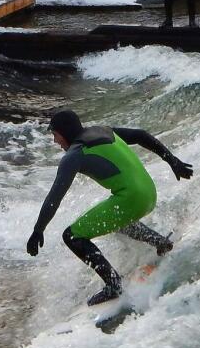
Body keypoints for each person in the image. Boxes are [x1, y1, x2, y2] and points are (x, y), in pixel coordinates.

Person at [26, 109, 188, 306]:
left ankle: (113, 284)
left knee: (72, 236)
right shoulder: (104, 131)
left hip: (132, 199)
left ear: (65, 132)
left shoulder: (74, 155)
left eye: (55, 134)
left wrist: (38, 230)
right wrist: (172, 161)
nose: (55, 141)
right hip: (149, 194)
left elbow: (54, 197)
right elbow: (140, 135)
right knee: (114, 219)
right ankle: (160, 242)